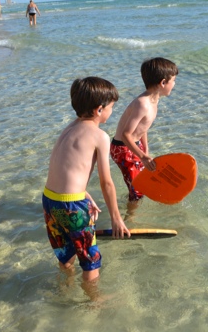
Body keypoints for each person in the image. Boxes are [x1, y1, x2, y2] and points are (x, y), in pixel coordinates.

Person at [43, 77, 130, 295]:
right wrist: (116, 218)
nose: (112, 112)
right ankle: (94, 303)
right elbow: (106, 182)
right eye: (111, 107)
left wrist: (82, 193)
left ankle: (65, 289)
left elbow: (63, 168)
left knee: (66, 253)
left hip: (50, 200)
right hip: (72, 206)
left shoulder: (68, 129)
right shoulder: (100, 136)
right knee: (91, 261)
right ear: (99, 109)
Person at [110, 57, 179, 207]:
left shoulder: (154, 101)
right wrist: (142, 156)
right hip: (122, 149)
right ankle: (130, 218)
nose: (174, 84)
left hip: (134, 145)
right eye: (173, 80)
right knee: (138, 190)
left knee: (141, 182)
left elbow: (142, 127)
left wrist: (145, 149)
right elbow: (126, 134)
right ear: (163, 83)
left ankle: (129, 201)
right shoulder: (143, 104)